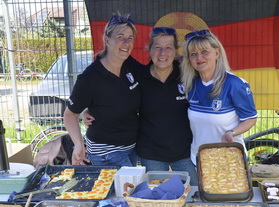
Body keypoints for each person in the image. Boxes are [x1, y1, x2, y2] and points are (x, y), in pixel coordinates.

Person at [84, 27, 198, 185]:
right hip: (151, 155)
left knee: (194, 195)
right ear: (149, 50)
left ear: (175, 51)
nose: (162, 53)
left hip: (184, 153)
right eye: (157, 47)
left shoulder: (187, 74)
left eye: (168, 48)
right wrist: (88, 106)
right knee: (156, 200)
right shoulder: (138, 74)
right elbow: (105, 70)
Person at [64, 14, 141, 167]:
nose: (126, 42)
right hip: (106, 153)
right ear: (107, 40)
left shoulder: (129, 64)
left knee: (128, 190)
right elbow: (70, 115)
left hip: (131, 148)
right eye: (120, 36)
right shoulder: (90, 78)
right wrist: (78, 144)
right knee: (125, 191)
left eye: (130, 37)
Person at [180, 29, 258, 165]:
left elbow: (250, 118)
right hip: (199, 159)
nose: (199, 58)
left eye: (205, 52)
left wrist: (231, 132)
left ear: (217, 53)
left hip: (229, 160)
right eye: (193, 54)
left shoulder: (234, 84)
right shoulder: (190, 84)